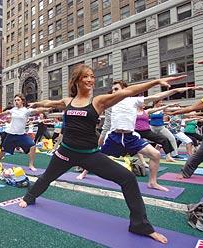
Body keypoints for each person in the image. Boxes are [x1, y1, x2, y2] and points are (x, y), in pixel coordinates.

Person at [19, 64, 185, 244]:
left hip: (89, 155)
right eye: (86, 77)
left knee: (128, 178)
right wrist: (36, 104)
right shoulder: (68, 101)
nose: (91, 80)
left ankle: (140, 225)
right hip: (65, 151)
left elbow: (126, 92)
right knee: (46, 177)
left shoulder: (98, 101)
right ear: (76, 81)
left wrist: (155, 81)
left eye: (92, 76)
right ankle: (29, 197)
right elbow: (50, 103)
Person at [100, 81, 190, 191]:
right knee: (95, 155)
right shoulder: (111, 101)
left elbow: (156, 96)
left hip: (130, 137)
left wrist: (174, 90)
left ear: (125, 90)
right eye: (113, 89)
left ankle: (152, 182)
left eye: (116, 89)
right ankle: (84, 171)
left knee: (156, 154)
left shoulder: (134, 100)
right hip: (114, 137)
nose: (113, 91)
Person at [0, 94, 50, 171]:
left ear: (22, 101)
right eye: (15, 100)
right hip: (11, 134)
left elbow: (36, 110)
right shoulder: (13, 109)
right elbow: (7, 112)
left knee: (33, 146)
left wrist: (46, 109)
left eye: (18, 100)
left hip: (21, 135)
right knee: (3, 150)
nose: (16, 102)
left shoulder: (26, 111)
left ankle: (31, 165)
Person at [170, 87, 203, 184]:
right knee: (202, 152)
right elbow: (192, 108)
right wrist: (176, 112)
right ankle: (185, 172)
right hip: (180, 131)